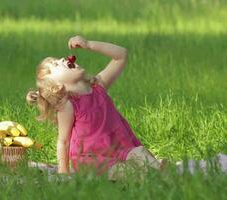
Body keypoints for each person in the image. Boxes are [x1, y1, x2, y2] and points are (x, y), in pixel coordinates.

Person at [26, 35, 163, 180]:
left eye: (58, 60)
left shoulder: (98, 85)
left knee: (140, 152)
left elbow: (121, 55)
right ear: (56, 86)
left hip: (118, 147)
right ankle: (149, 173)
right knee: (122, 170)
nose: (62, 59)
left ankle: (157, 171)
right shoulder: (68, 105)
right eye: (56, 64)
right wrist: (63, 172)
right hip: (91, 159)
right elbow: (63, 141)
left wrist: (89, 44)